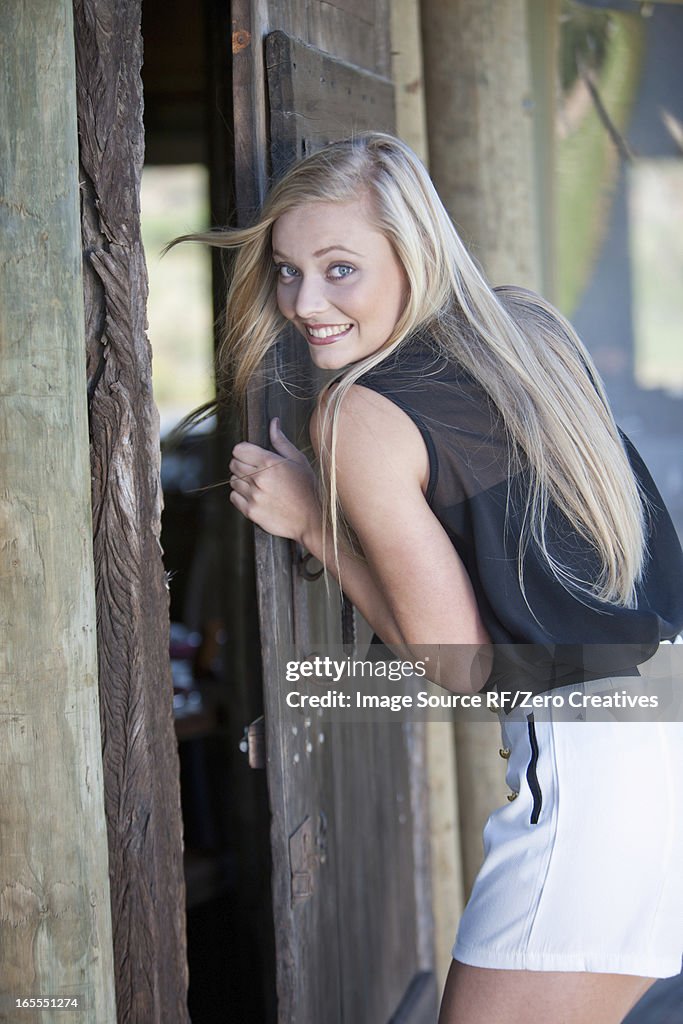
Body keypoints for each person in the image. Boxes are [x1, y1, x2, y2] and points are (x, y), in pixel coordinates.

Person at [195, 132, 683, 1023]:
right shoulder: (528, 330)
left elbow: (458, 662)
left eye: (340, 268)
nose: (305, 302)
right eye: (288, 270)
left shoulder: (361, 418)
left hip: (602, 777)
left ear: (411, 256)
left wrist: (311, 520)